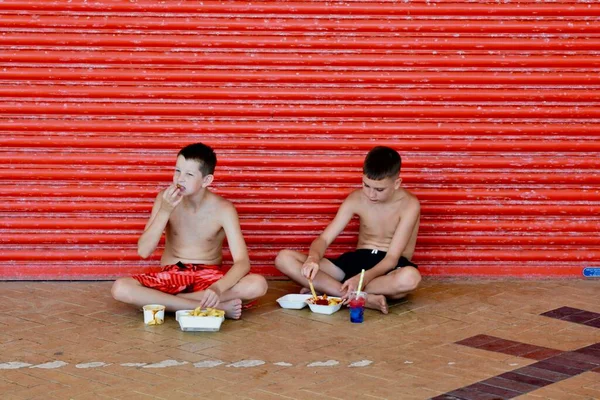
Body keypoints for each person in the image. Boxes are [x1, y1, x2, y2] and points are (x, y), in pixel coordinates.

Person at [111, 143, 267, 319]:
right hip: (171, 274)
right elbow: (144, 251)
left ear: (207, 180)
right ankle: (209, 308)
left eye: (189, 174)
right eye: (177, 171)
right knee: (121, 288)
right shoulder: (164, 199)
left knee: (257, 284)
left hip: (209, 277)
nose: (180, 179)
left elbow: (242, 262)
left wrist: (217, 288)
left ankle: (170, 302)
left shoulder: (224, 208)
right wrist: (165, 210)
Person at [275, 146, 421, 314]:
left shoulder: (409, 204)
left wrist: (362, 279)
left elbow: (392, 258)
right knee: (284, 258)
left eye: (379, 189)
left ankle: (333, 291)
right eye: (366, 185)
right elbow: (323, 239)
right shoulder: (356, 198)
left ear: (397, 183)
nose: (371, 194)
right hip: (356, 262)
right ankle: (360, 297)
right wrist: (313, 259)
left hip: (385, 269)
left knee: (410, 278)